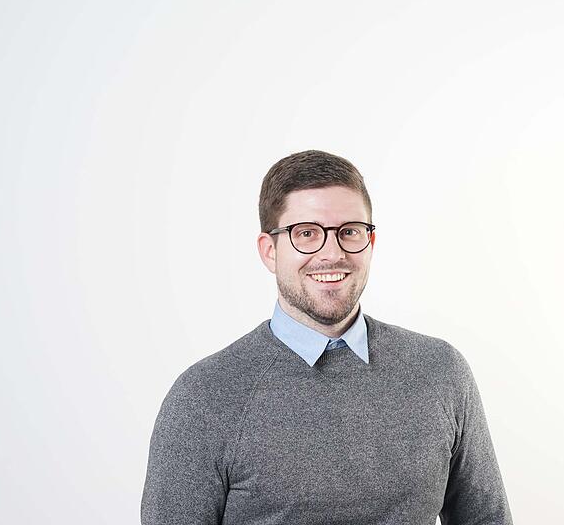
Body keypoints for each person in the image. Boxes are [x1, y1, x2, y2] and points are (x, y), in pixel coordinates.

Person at [141, 150, 512, 524]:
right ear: (269, 251)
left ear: (371, 243)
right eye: (306, 234)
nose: (332, 254)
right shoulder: (205, 396)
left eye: (349, 231)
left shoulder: (440, 371)